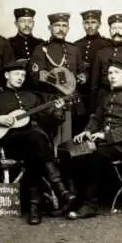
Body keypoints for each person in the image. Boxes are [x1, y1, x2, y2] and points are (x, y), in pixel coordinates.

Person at [0, 59, 76, 225]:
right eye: (17, 74)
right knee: (37, 140)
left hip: (33, 144)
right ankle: (61, 191)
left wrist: (58, 111)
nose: (20, 78)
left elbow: (48, 121)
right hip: (10, 143)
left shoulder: (32, 96)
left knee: (34, 148)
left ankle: (34, 207)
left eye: (23, 75)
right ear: (6, 75)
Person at [67, 58, 122, 219]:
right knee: (69, 151)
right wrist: (87, 131)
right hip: (103, 143)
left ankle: (91, 205)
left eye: (116, 73)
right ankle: (73, 200)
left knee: (94, 156)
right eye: (110, 73)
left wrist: (105, 135)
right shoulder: (106, 96)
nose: (112, 76)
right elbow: (96, 118)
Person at [28, 12, 84, 145]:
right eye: (57, 25)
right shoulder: (41, 49)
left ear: (68, 28)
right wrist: (60, 83)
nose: (61, 29)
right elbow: (36, 75)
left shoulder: (74, 49)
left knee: (73, 141)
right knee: (54, 142)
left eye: (64, 26)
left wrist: (83, 77)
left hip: (72, 102)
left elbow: (82, 71)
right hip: (52, 102)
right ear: (50, 28)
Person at [74, 9, 111, 133]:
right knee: (78, 126)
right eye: (86, 22)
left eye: (93, 22)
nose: (90, 26)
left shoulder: (107, 45)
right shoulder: (76, 45)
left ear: (99, 24)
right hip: (79, 93)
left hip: (98, 94)